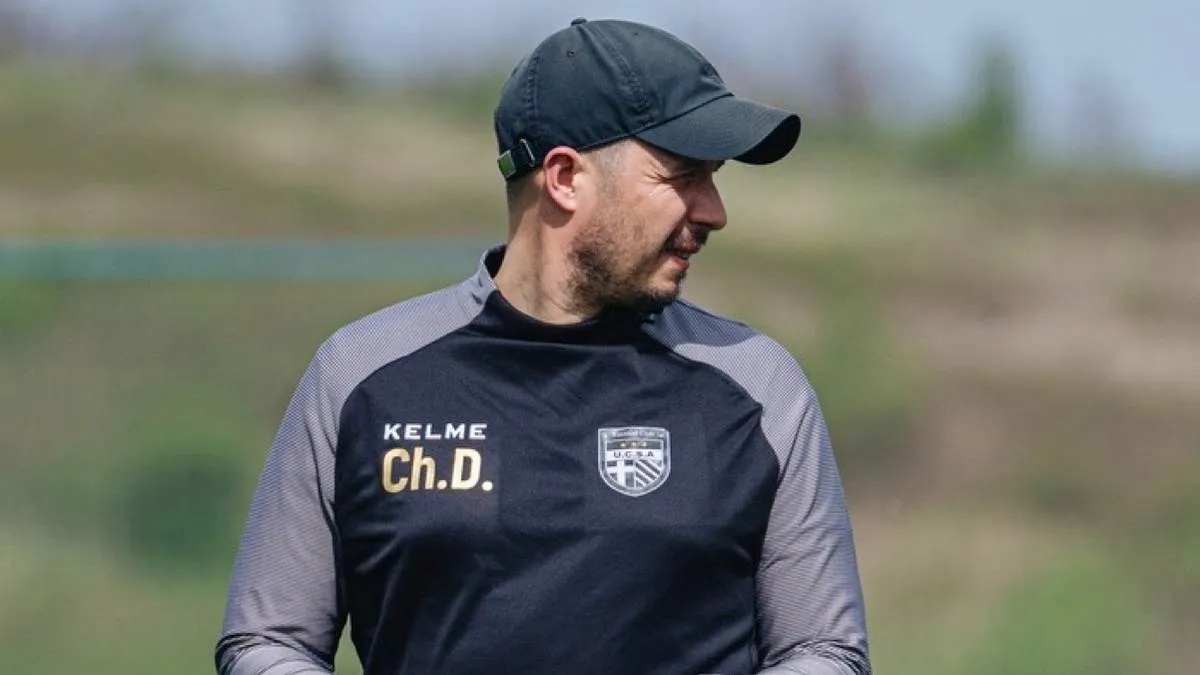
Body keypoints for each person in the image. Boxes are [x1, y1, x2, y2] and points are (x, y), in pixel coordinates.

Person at [215, 17, 871, 675]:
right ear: (564, 176)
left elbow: (823, 649)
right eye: (682, 176)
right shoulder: (360, 374)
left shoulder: (759, 385)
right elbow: (270, 640)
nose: (714, 211)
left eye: (714, 177)